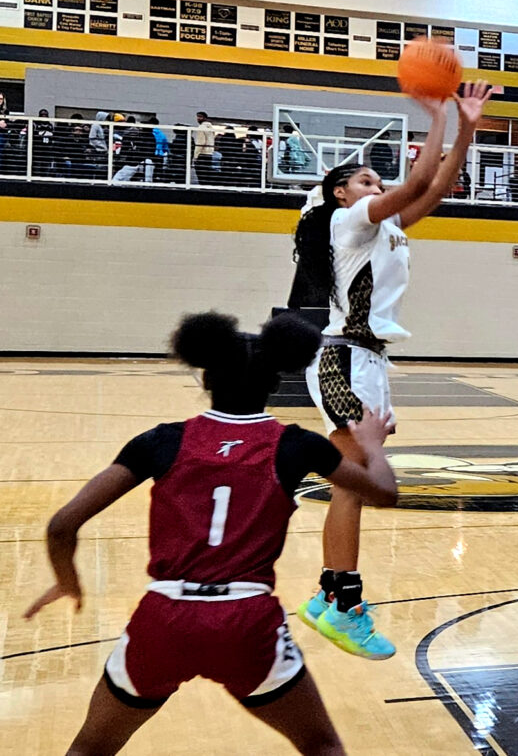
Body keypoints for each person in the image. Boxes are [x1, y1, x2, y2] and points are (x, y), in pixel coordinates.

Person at [23, 311, 400, 755]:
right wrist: (371, 444)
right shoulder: (297, 444)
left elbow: (62, 525)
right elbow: (383, 493)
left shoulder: (162, 441)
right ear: (274, 384)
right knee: (321, 746)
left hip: (164, 616)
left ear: (204, 378)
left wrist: (68, 583)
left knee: (91, 747)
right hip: (246, 621)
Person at [296, 82, 492, 661]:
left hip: (368, 361)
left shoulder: (383, 227)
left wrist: (468, 127)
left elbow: (433, 187)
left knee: (348, 483)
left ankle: (326, 597)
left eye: (376, 186)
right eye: (366, 182)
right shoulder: (344, 223)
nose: (376, 190)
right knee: (359, 481)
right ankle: (345, 605)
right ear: (340, 193)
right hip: (345, 358)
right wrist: (434, 119)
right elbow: (413, 182)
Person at [194, 110, 216, 184]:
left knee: (200, 175)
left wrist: (196, 155)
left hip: (202, 154)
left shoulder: (201, 128)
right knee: (207, 174)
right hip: (209, 154)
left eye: (200, 117)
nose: (198, 118)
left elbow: (201, 142)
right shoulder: (211, 128)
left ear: (205, 118)